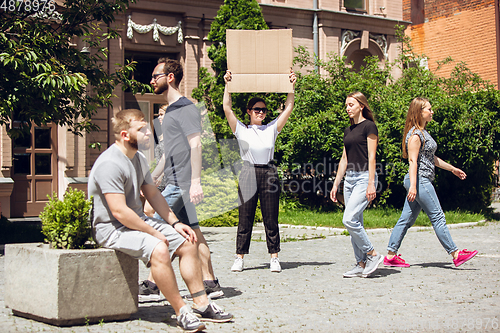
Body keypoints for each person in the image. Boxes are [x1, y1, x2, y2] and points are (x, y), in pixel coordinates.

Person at [88, 109, 233, 332]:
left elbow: (153, 194)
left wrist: (175, 223)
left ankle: (202, 304)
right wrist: (155, 233)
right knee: (159, 248)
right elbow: (118, 212)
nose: (149, 132)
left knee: (188, 241)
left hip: (134, 220)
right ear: (126, 135)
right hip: (111, 229)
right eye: (142, 129)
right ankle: (181, 311)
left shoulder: (138, 158)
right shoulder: (110, 163)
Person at [149, 58, 223, 299]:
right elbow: (169, 152)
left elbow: (196, 144)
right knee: (192, 231)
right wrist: (152, 179)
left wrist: (195, 182)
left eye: (155, 76)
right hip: (174, 180)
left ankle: (153, 282)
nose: (151, 81)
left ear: (169, 77)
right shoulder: (170, 112)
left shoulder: (185, 108)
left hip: (181, 183)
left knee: (157, 225)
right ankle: (211, 283)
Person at [384, 97, 477, 268]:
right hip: (419, 181)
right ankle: (456, 254)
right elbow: (413, 161)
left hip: (419, 180)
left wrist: (452, 169)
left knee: (406, 219)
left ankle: (390, 255)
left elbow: (431, 158)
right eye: (429, 109)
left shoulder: (423, 133)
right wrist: (413, 186)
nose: (432, 112)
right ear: (419, 112)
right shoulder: (415, 135)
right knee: (438, 216)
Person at [223, 69, 296, 273]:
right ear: (249, 111)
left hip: (269, 173)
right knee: (245, 217)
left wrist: (291, 85)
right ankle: (239, 257)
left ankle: (274, 257)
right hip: (248, 172)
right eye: (256, 109)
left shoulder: (271, 128)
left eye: (263, 110)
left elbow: (289, 107)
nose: (261, 112)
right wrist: (228, 84)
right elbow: (226, 107)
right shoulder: (241, 129)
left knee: (270, 217)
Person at [330, 92, 382, 278]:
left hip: (364, 177)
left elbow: (372, 156)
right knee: (355, 222)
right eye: (346, 105)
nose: (347, 108)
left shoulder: (369, 126)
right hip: (350, 179)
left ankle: (372, 254)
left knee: (349, 219)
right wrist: (336, 184)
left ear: (361, 105)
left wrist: (370, 183)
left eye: (351, 104)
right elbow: (344, 158)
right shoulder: (348, 130)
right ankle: (360, 264)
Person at [140, 104, 167, 302]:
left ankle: (153, 284)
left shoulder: (173, 135)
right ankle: (209, 282)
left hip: (169, 186)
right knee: (194, 236)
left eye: (163, 114)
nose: (160, 117)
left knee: (160, 229)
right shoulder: (162, 135)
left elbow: (167, 160)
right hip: (162, 185)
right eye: (158, 114)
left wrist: (151, 179)